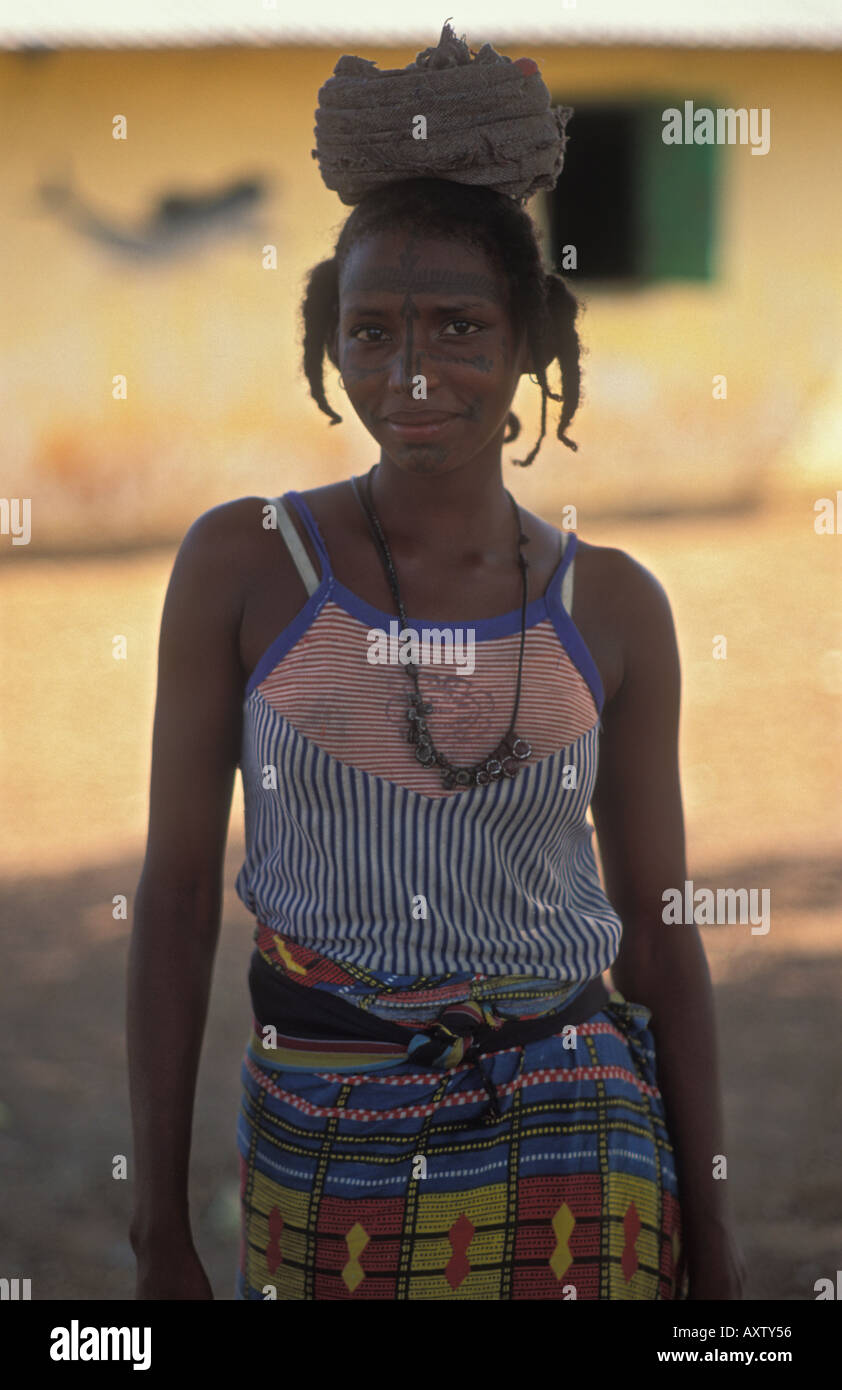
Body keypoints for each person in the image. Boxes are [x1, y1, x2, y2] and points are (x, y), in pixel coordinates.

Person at [128, 23, 746, 1300]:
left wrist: (718, 1236)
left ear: (529, 342)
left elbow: (662, 935)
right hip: (325, 1134)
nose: (411, 374)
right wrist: (155, 1229)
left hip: (579, 1135)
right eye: (370, 334)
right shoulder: (243, 567)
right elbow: (179, 902)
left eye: (459, 327)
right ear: (327, 345)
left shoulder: (612, 604)